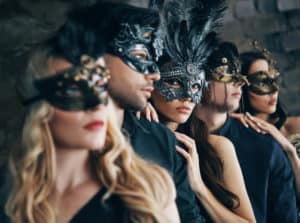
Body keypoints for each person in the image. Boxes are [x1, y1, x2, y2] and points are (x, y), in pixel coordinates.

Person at [0, 8, 179, 223]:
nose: (96, 106)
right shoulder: (11, 195)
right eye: (75, 91)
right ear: (40, 106)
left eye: (100, 88)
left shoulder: (147, 189)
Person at [91, 2, 205, 222]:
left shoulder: (163, 141)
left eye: (154, 59)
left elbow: (189, 217)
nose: (154, 73)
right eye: (142, 57)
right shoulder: (68, 137)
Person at [145, 0, 256, 222]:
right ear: (152, 82)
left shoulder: (217, 148)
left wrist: (199, 188)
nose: (187, 95)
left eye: (195, 86)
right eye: (175, 82)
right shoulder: (134, 138)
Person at [189, 41, 298, 223]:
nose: (240, 81)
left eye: (238, 73)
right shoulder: (175, 139)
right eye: (227, 73)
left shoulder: (266, 148)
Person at [231, 47, 300, 201]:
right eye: (262, 82)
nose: (273, 91)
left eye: (273, 80)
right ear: (242, 85)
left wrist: (290, 150)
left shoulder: (295, 126)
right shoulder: (236, 132)